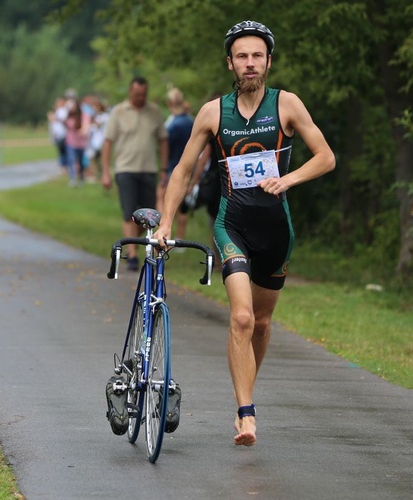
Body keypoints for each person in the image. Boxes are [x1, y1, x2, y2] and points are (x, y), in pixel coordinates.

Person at [153, 20, 335, 447]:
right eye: (242, 57)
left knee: (264, 322)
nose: (249, 64)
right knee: (241, 317)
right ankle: (246, 414)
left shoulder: (286, 104)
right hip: (230, 223)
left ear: (269, 61)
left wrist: (287, 182)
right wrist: (165, 223)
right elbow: (182, 171)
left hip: (276, 230)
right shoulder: (213, 112)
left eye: (257, 56)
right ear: (230, 63)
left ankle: (246, 394)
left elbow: (326, 157)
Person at [101, 76, 169, 271]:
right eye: (137, 94)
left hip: (148, 169)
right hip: (125, 169)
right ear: (130, 91)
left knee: (148, 216)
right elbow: (108, 142)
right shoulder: (119, 112)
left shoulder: (154, 112)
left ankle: (134, 242)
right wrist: (106, 171)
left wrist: (164, 168)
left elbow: (163, 140)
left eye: (143, 94)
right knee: (129, 211)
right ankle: (132, 255)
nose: (140, 97)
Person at [157, 87, 195, 242]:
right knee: (183, 204)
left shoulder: (173, 124)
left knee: (164, 198)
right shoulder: (190, 121)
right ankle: (180, 235)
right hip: (190, 164)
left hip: (174, 163)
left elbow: (166, 146)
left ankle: (162, 229)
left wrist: (163, 167)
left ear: (169, 102)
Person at [64, 97, 91, 186]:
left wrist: (82, 131)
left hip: (81, 142)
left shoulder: (84, 116)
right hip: (70, 141)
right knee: (71, 160)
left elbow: (86, 127)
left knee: (80, 161)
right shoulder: (68, 116)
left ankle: (81, 177)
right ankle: (72, 178)